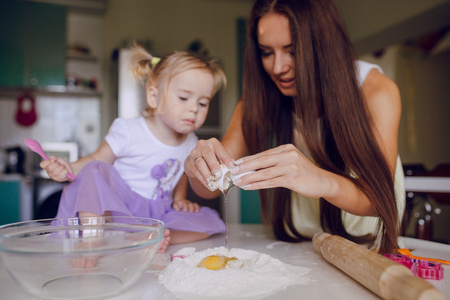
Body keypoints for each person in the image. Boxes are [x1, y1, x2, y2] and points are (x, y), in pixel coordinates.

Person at [184, 0, 405, 254]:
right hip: (301, 243)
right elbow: (213, 185)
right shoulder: (257, 99)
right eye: (267, 52)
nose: (278, 68)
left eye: (293, 50)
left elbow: (379, 198)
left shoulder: (377, 91)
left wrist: (320, 179)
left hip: (366, 244)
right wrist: (195, 167)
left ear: (324, 46)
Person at [40, 45, 227, 254]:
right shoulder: (128, 130)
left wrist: (179, 199)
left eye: (203, 103)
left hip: (158, 211)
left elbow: (183, 171)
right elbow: (96, 159)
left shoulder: (192, 141)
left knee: (210, 221)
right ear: (154, 97)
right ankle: (92, 241)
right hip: (120, 206)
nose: (194, 108)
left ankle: (152, 237)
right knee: (95, 169)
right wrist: (70, 167)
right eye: (184, 98)